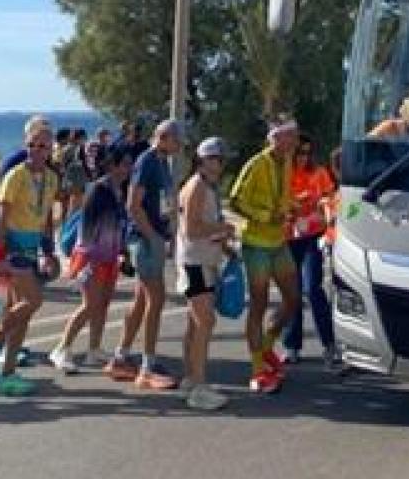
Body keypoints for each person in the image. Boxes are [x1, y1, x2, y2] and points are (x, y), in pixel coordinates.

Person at [0, 117, 60, 396]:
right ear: (27, 145)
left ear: (51, 149)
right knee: (34, 301)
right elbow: (1, 216)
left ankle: (6, 375)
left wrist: (49, 251)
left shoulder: (51, 179)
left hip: (32, 247)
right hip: (12, 247)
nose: (40, 151)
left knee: (23, 314)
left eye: (45, 146)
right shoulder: (16, 176)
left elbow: (46, 218)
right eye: (34, 145)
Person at [103, 119, 182, 391]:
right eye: (177, 139)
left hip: (152, 236)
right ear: (163, 137)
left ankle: (121, 357)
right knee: (156, 300)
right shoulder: (147, 161)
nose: (181, 145)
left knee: (140, 301)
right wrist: (152, 236)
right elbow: (133, 205)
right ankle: (147, 366)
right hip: (145, 240)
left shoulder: (160, 162)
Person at [229, 115, 302, 393]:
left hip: (278, 241)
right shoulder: (257, 164)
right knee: (258, 304)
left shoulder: (287, 162)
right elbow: (236, 201)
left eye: (295, 136)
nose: (295, 141)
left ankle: (268, 347)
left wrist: (293, 206)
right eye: (291, 136)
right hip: (257, 243)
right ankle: (257, 368)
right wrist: (265, 216)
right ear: (276, 138)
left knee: (293, 298)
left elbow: (281, 197)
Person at [48, 147, 133, 373]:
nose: (128, 168)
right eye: (124, 163)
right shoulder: (98, 189)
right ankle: (62, 348)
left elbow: (119, 224)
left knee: (103, 304)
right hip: (91, 256)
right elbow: (87, 226)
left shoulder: (118, 190)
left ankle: (94, 349)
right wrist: (87, 260)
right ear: (111, 165)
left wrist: (123, 250)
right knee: (90, 305)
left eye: (129, 164)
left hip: (110, 256)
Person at [176, 137, 233, 410]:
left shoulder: (207, 186)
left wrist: (226, 247)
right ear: (202, 160)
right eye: (214, 158)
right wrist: (223, 230)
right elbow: (192, 229)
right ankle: (198, 385)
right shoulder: (197, 186)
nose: (218, 164)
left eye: (221, 159)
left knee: (194, 323)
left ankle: (190, 378)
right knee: (204, 322)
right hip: (194, 263)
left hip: (202, 261)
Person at [282, 135, 338, 367]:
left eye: (307, 152)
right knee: (291, 291)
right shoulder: (283, 175)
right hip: (289, 237)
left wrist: (322, 203)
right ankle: (292, 345)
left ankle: (330, 344)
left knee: (312, 288)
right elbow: (278, 202)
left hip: (312, 236)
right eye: (299, 153)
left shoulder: (319, 173)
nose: (304, 157)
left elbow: (329, 196)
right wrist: (295, 203)